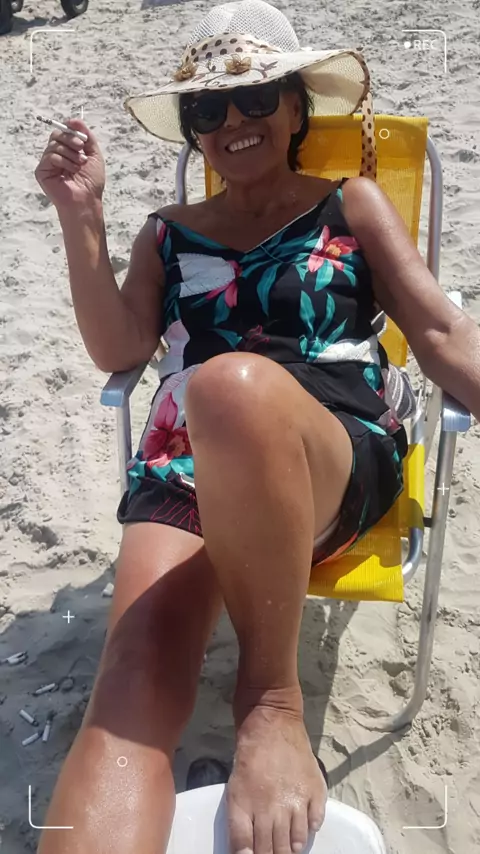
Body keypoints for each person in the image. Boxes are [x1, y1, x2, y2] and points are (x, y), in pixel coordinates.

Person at [34, 2, 480, 853]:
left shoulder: (350, 204)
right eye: (208, 108)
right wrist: (80, 215)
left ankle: (270, 701)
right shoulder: (166, 234)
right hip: (187, 459)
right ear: (194, 131)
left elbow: (441, 331)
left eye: (257, 97)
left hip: (329, 449)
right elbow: (120, 350)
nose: (233, 120)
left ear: (297, 107)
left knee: (231, 387)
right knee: (129, 684)